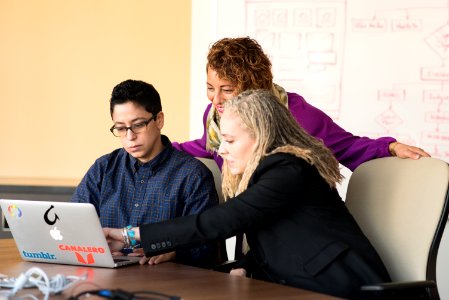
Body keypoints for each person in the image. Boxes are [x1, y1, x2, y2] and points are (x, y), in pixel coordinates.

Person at [104, 90, 391, 299]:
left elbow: (224, 220)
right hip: (295, 286)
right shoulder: (268, 172)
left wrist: (131, 235)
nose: (222, 150)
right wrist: (244, 266)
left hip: (341, 288)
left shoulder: (288, 168)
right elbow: (283, 238)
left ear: (261, 134)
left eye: (228, 140)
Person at [172, 37, 430, 171]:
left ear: (253, 86)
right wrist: (160, 148)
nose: (216, 99)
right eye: (210, 88)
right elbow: (208, 147)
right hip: (255, 227)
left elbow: (347, 146)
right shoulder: (216, 117)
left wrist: (391, 147)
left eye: (227, 90)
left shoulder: (297, 115)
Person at [72, 79, 220, 268]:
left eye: (138, 125)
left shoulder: (192, 175)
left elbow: (206, 246)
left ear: (159, 120)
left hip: (168, 282)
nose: (130, 136)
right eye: (120, 128)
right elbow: (75, 223)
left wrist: (174, 250)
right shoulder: (104, 168)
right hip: (107, 278)